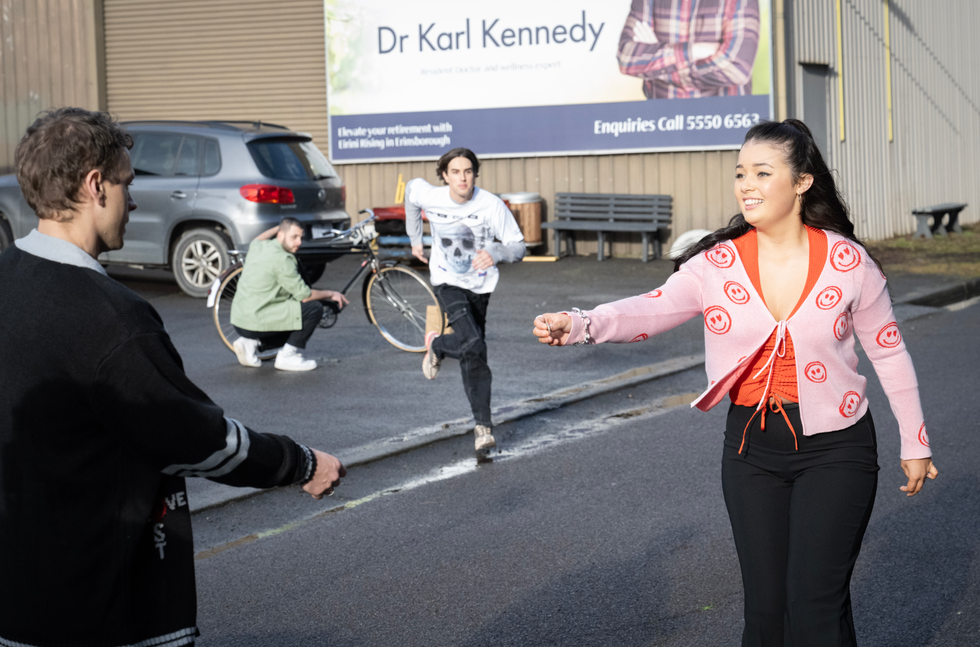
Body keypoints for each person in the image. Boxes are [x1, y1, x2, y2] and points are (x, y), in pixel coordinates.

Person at [533, 119, 938, 645]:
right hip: (751, 448)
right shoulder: (716, 264)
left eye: (762, 173)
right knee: (766, 614)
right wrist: (583, 323)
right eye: (740, 173)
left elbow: (889, 353)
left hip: (837, 447)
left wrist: (916, 441)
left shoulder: (849, 262)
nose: (746, 184)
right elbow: (652, 309)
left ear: (801, 182)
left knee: (814, 605)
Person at [0, 107, 346, 647]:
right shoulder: (110, 317)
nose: (133, 200)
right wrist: (299, 462)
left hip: (17, 596)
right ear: (96, 186)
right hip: (100, 604)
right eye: (126, 183)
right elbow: (193, 438)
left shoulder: (8, 277)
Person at [405, 148, 525, 453]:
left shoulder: (490, 205)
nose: (463, 178)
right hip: (447, 282)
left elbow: (519, 247)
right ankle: (483, 426)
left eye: (468, 171)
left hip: (481, 287)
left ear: (475, 173)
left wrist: (497, 252)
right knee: (474, 343)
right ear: (444, 175)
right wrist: (415, 237)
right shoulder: (431, 196)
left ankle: (439, 345)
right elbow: (410, 192)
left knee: (473, 350)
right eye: (455, 172)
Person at [229, 217, 348, 371]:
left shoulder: (259, 246)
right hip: (255, 321)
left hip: (240, 320)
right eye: (294, 237)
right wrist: (331, 293)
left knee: (293, 311)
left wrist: (281, 227)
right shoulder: (283, 260)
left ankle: (251, 343)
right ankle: (288, 356)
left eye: (300, 237)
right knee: (313, 309)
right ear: (280, 236)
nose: (299, 242)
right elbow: (305, 295)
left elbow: (260, 237)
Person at [618, 0, 760, 99]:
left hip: (726, 121)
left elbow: (737, 68)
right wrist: (694, 51)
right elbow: (626, 59)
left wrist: (656, 66)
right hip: (661, 123)